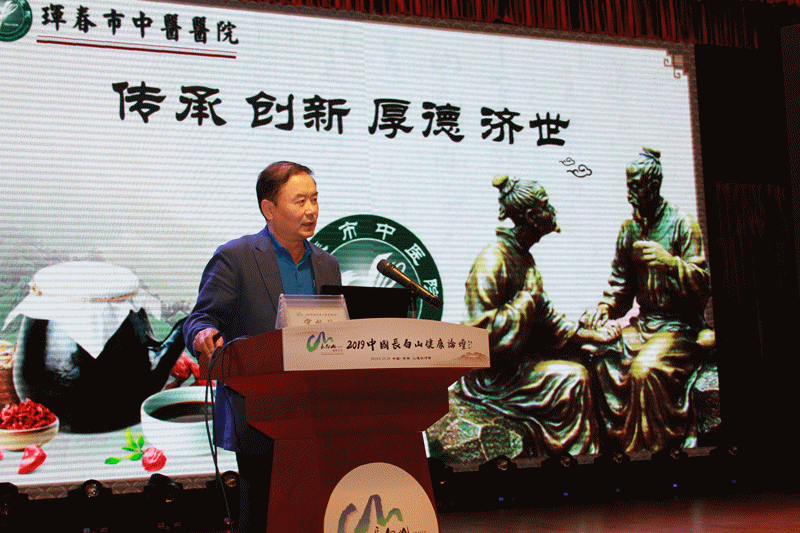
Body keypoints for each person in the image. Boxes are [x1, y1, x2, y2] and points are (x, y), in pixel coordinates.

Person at [183, 161, 341, 533]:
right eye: (300, 201)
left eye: (315, 199)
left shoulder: (327, 264)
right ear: (269, 208)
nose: (312, 210)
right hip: (259, 413)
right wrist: (203, 334)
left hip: (318, 411)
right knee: (262, 518)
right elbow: (201, 318)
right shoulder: (236, 257)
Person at [455, 174, 615, 457]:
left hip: (519, 363)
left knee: (587, 359)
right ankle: (573, 462)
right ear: (531, 217)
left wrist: (586, 335)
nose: (552, 210)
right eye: (545, 205)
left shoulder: (522, 257)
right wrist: (526, 300)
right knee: (574, 379)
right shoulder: (493, 259)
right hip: (494, 377)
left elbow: (546, 318)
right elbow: (478, 338)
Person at [583, 148, 711, 453]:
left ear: (654, 186)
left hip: (679, 327)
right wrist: (605, 308)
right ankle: (614, 448)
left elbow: (703, 285)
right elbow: (621, 287)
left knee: (643, 371)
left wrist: (670, 263)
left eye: (636, 186)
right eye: (628, 186)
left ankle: (651, 453)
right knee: (597, 353)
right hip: (644, 325)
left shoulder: (682, 224)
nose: (630, 194)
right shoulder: (629, 230)